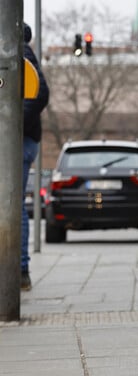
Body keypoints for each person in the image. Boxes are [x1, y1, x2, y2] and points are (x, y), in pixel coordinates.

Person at [22, 23, 49, 290]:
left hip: (18, 140)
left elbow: (39, 92)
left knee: (12, 203)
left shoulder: (19, 50)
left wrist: (13, 123)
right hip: (21, 139)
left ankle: (19, 269)